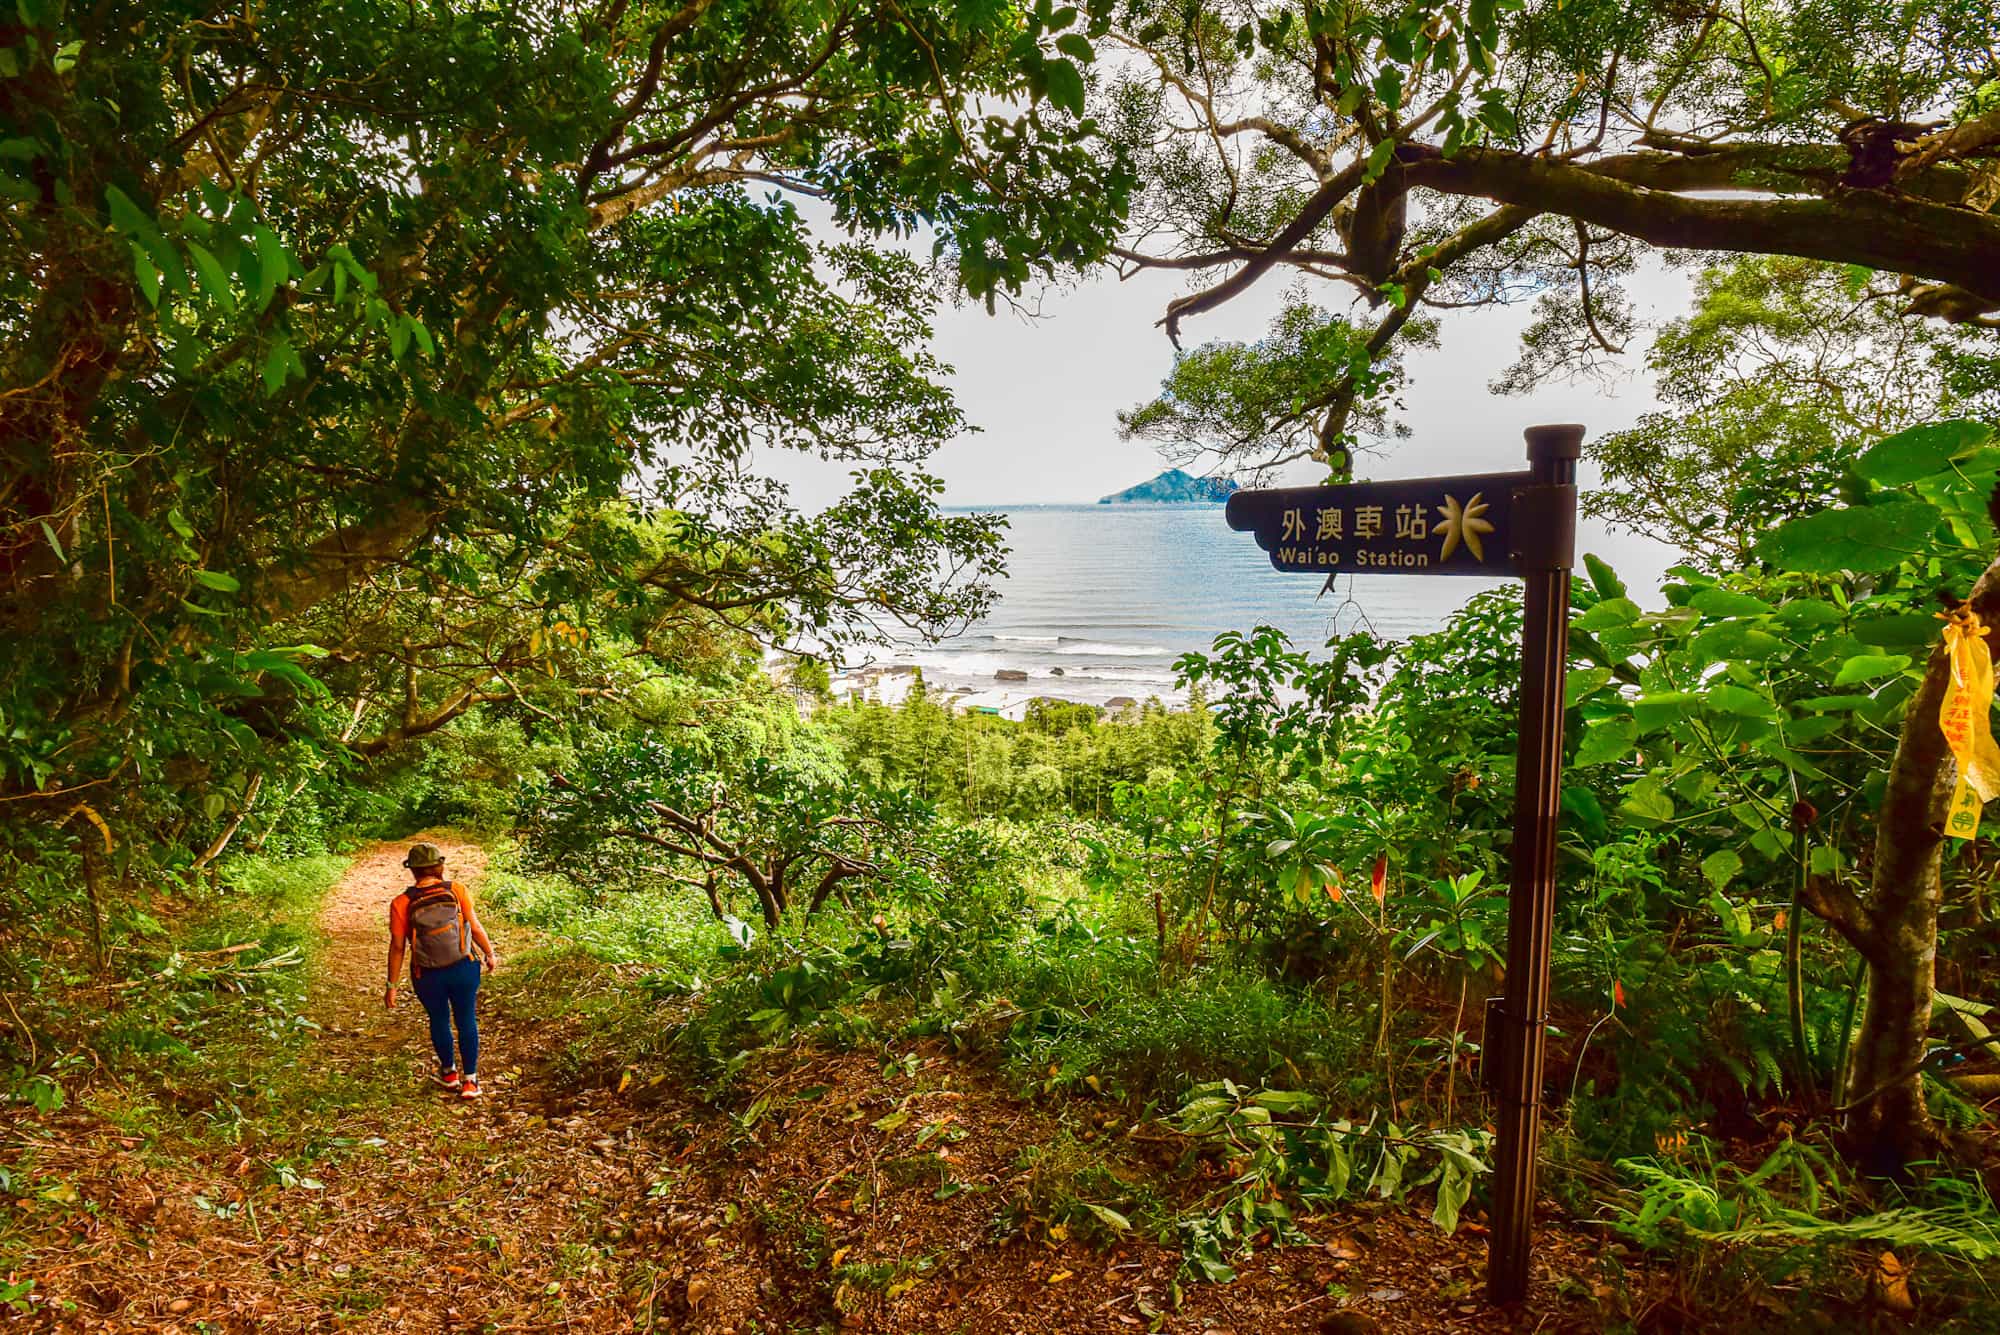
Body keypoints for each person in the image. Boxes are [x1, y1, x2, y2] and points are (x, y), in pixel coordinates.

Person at [384, 842, 497, 1099]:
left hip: (427, 974)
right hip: (464, 966)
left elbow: (398, 946)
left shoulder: (401, 902)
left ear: (413, 871)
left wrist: (392, 986)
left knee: (438, 1019)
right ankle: (471, 1081)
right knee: (466, 1017)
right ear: (440, 866)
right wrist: (489, 953)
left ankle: (449, 1074)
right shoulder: (456, 890)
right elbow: (475, 927)